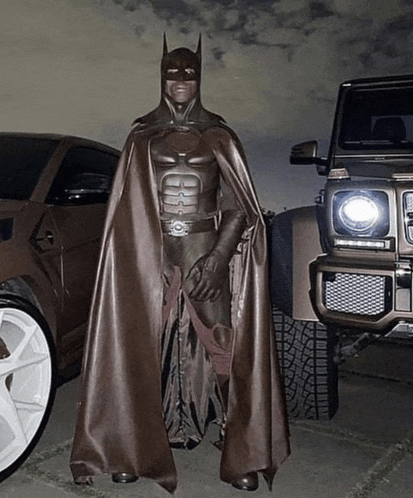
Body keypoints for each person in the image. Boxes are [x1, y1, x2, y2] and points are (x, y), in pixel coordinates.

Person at [70, 35, 290, 494]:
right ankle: (128, 447)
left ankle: (240, 448)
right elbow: (126, 209)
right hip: (151, 254)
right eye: (172, 72)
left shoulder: (221, 136)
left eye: (189, 72)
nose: (181, 81)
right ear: (161, 76)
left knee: (225, 347)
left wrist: (218, 257)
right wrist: (136, 260)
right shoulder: (140, 136)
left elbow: (239, 206)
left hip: (204, 247)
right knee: (137, 347)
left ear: (201, 76)